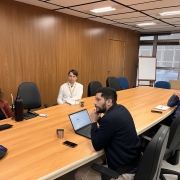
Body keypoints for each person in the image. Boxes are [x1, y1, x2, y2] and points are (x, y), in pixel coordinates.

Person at [75, 87, 141, 180]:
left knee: (79, 173)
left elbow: (97, 145)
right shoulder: (121, 108)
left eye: (98, 100)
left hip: (124, 172)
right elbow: (111, 126)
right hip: (133, 162)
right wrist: (100, 120)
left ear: (109, 102)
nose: (94, 103)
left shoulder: (109, 119)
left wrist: (93, 122)